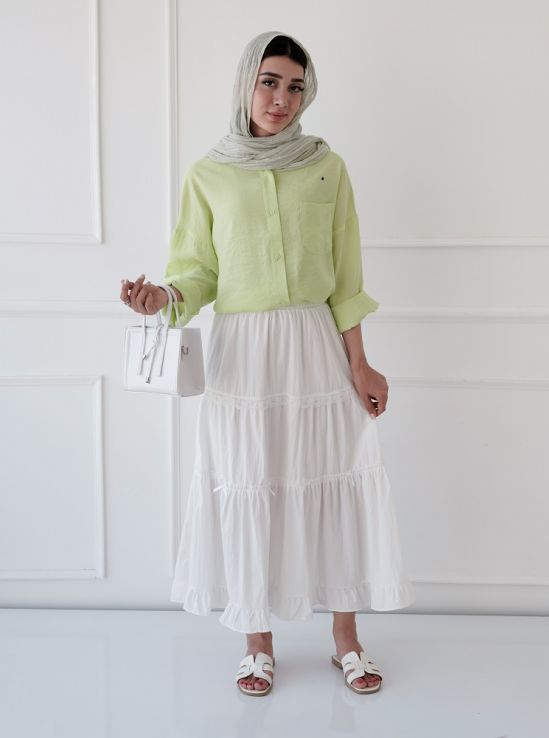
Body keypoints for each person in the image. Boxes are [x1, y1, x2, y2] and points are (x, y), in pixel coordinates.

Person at [120, 31, 414, 697]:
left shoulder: (326, 167)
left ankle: (346, 639)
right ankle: (257, 644)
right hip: (244, 355)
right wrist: (161, 298)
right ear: (246, 82)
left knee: (337, 480)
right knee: (249, 482)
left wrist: (362, 364)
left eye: (295, 87)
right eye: (270, 82)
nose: (282, 99)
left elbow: (346, 275)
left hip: (316, 346)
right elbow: (196, 271)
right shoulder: (209, 174)